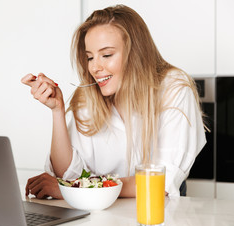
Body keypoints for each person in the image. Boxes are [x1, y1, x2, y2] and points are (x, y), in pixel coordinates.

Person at [21, 4, 206, 199]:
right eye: (90, 57)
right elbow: (68, 175)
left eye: (106, 55)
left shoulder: (174, 87)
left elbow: (159, 182)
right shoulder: (88, 96)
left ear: (136, 54)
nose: (94, 67)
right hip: (104, 218)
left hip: (157, 218)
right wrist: (57, 111)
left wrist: (75, 190)